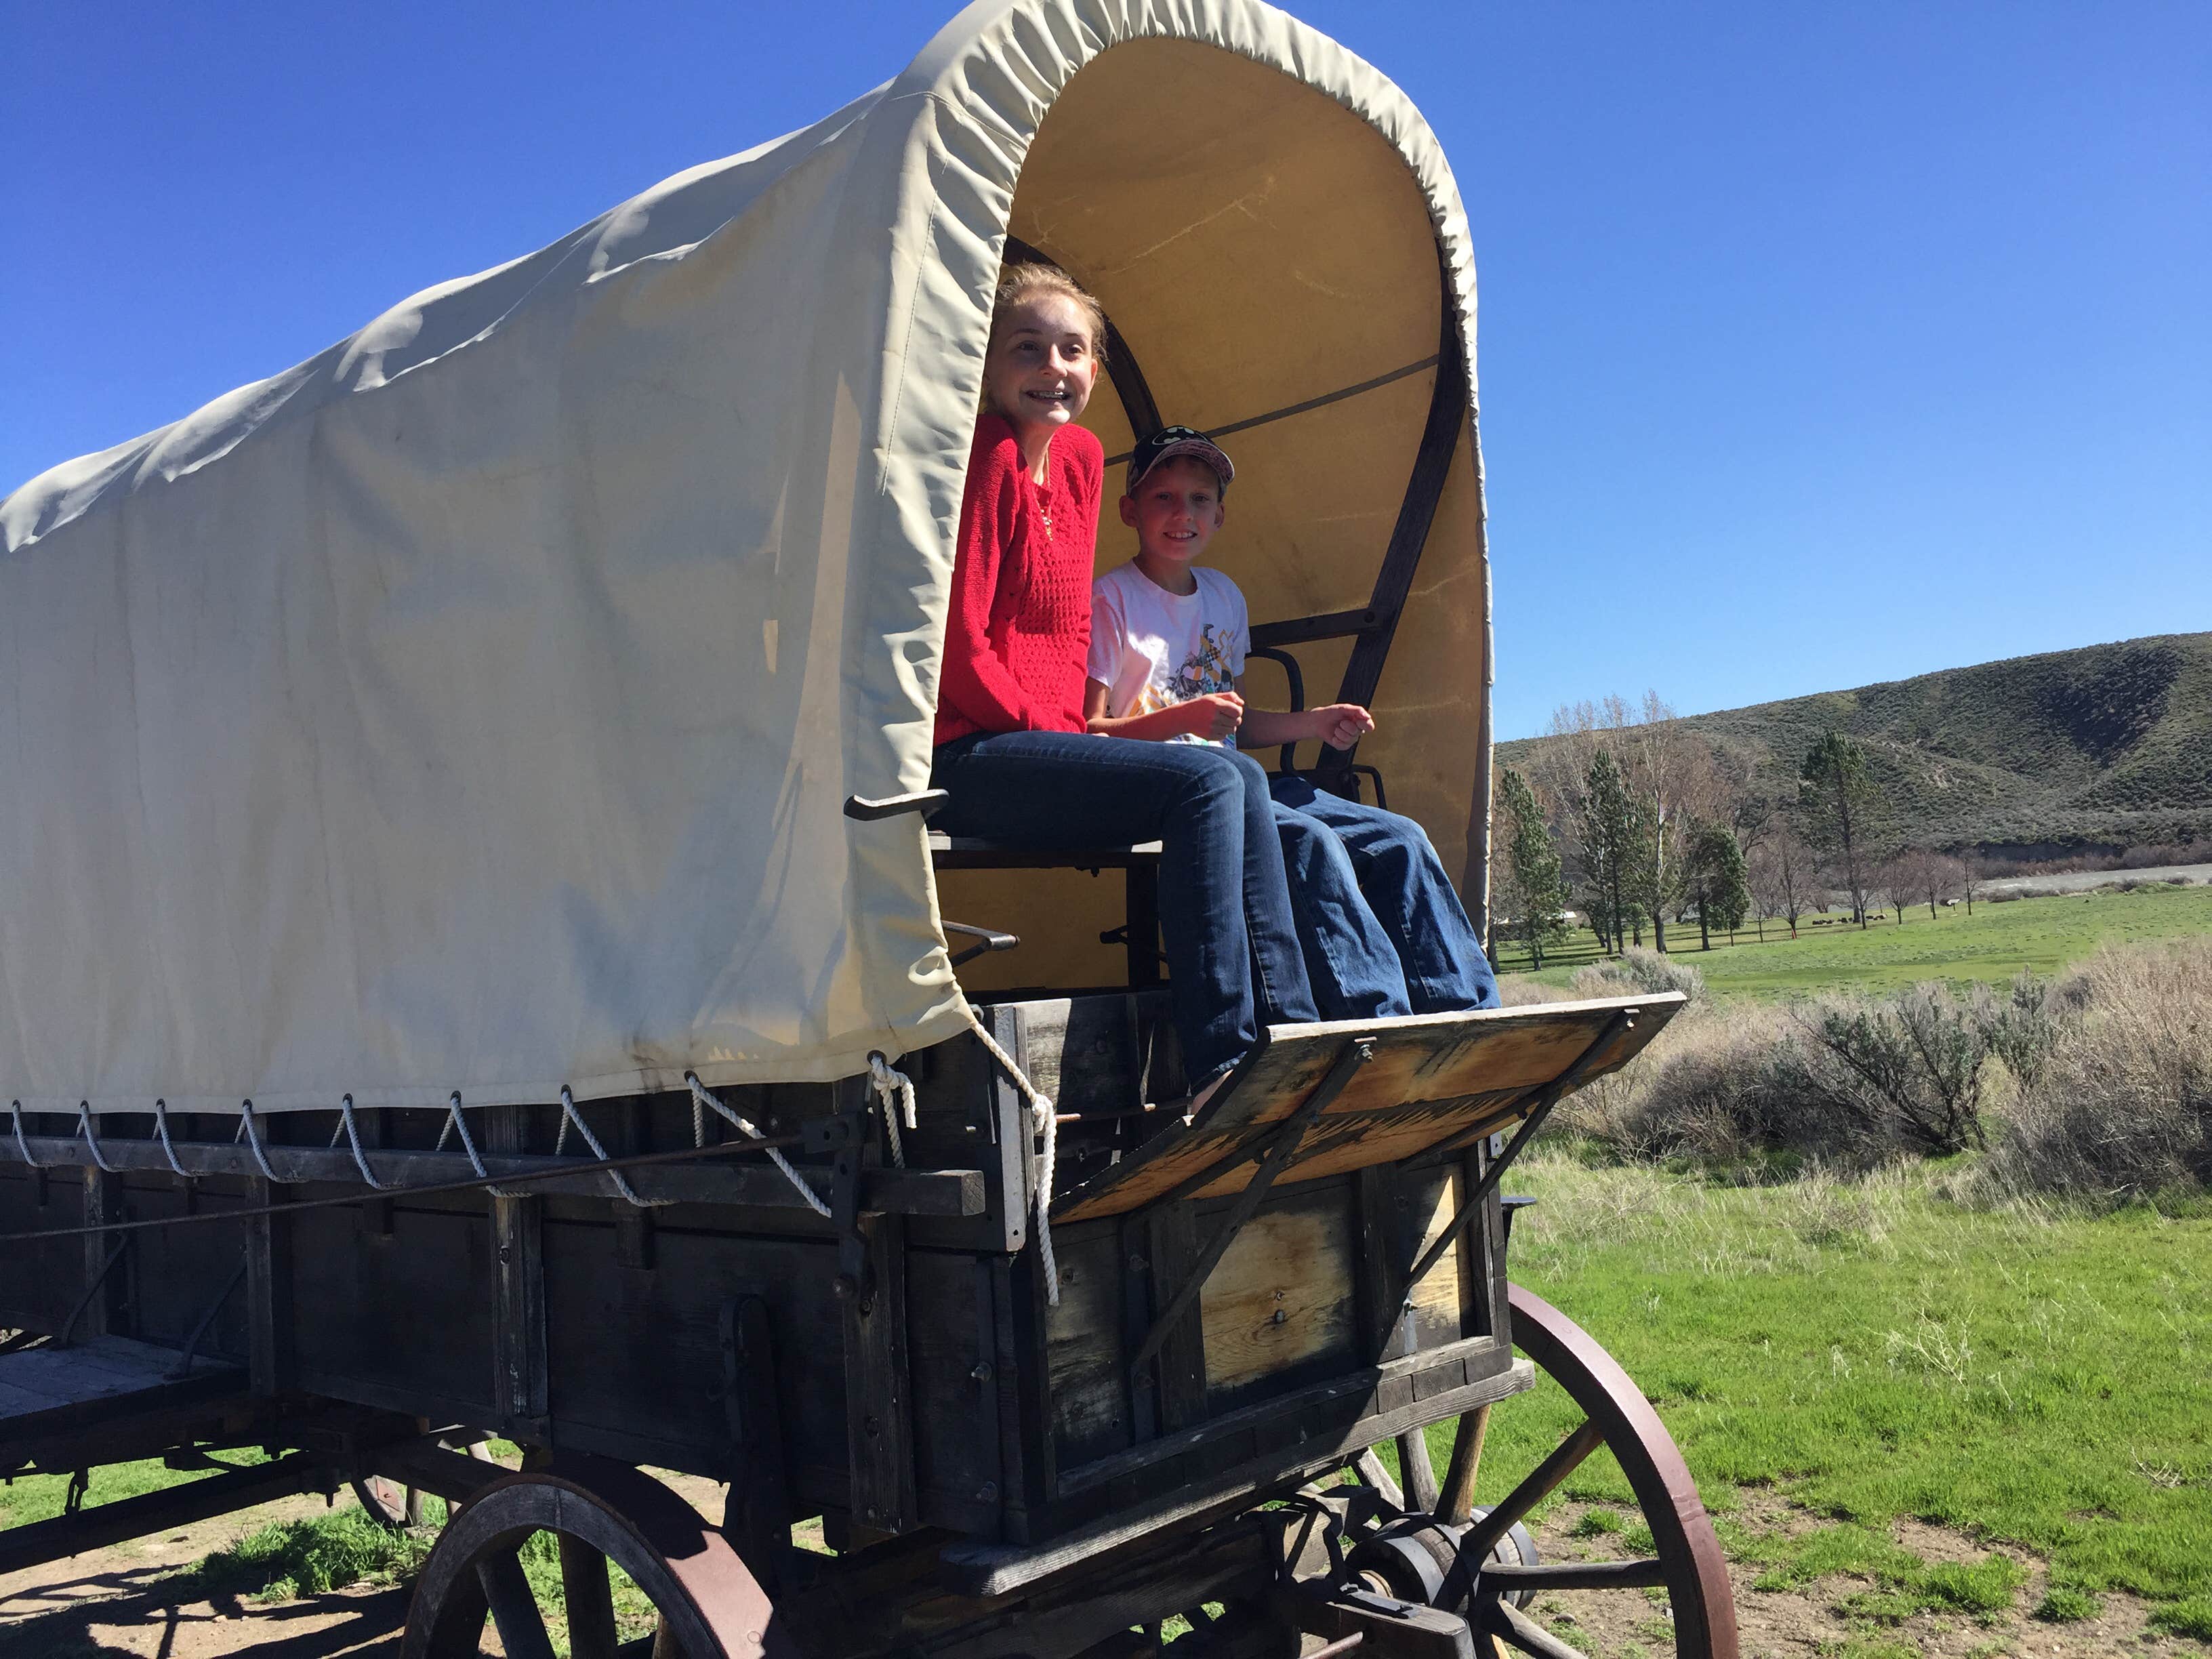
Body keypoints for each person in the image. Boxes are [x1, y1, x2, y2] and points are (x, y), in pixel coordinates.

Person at [928, 268, 1318, 1095]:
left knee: (1241, 774)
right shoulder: (988, 455)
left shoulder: (1077, 460)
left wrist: (1072, 738)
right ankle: (1222, 1062)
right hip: (971, 753)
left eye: (1072, 350)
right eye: (1027, 348)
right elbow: (959, 651)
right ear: (988, 365)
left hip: (1046, 746)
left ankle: (1290, 1038)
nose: (1053, 367)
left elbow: (1073, 623)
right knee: (1210, 780)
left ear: (1095, 370)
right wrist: (1053, 732)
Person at [1085, 425, 1500, 1017]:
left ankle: (1468, 1014)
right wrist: (1185, 719)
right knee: (1312, 842)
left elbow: (1237, 726)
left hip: (1245, 783)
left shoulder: (1224, 597)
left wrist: (1313, 723)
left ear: (1220, 516)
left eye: (1200, 499)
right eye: (1164, 497)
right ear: (1130, 511)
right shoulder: (1111, 600)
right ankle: (1376, 1020)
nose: (1183, 514)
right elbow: (1088, 731)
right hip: (1173, 794)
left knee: (1401, 837)